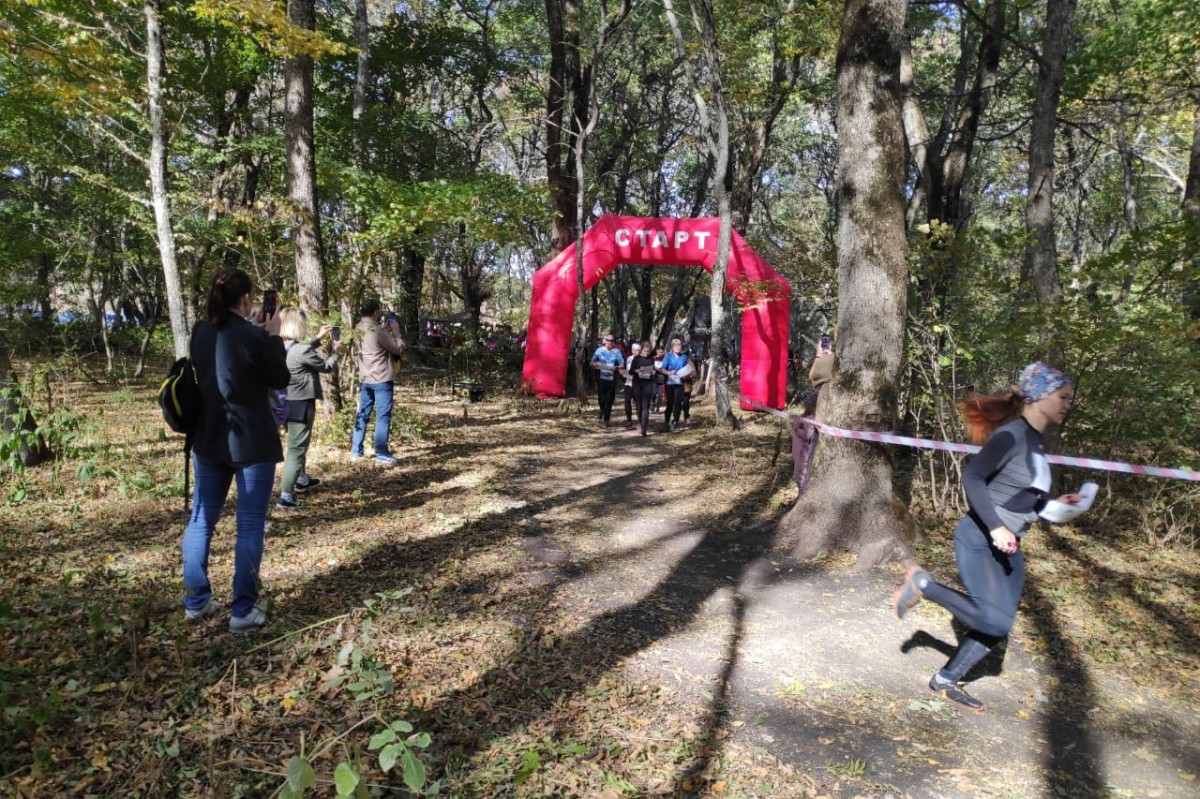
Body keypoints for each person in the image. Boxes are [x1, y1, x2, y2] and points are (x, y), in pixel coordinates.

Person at [891, 362, 1079, 712]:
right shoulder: (1012, 435)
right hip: (980, 538)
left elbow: (1023, 501)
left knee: (998, 624)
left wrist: (1056, 506)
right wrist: (996, 527)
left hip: (1008, 546)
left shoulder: (1036, 442)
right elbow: (973, 478)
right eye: (1063, 396)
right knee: (993, 619)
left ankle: (945, 681)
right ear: (1040, 396)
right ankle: (923, 584)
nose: (1069, 402)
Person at [182, 268, 290, 632]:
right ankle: (242, 610)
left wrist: (256, 332)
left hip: (209, 438)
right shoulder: (254, 336)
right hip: (251, 443)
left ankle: (196, 600)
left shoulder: (200, 331)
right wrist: (272, 337)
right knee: (248, 525)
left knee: (202, 520)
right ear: (246, 299)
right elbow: (279, 378)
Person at [276, 308, 343, 509]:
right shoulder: (301, 351)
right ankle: (286, 496)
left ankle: (301, 479)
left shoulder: (278, 347)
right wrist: (336, 352)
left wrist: (317, 338)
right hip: (301, 404)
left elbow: (298, 351)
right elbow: (326, 367)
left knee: (297, 444)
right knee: (297, 449)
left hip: (284, 402)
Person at [351, 299, 406, 464]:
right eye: (379, 311)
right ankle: (382, 453)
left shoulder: (358, 328)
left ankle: (356, 451)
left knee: (363, 413)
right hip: (381, 379)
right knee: (383, 416)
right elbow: (398, 349)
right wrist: (396, 332)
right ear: (375, 312)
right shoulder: (376, 330)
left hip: (365, 378)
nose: (381, 313)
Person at [590, 333, 624, 428]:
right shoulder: (599, 351)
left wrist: (615, 367)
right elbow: (591, 362)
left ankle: (606, 420)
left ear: (614, 342)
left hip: (612, 379)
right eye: (608, 341)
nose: (610, 343)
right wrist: (595, 365)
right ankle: (601, 409)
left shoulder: (617, 352)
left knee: (609, 400)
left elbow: (622, 365)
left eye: (612, 341)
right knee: (601, 399)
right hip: (601, 378)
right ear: (604, 341)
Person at [658, 338, 691, 432]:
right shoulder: (668, 356)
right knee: (670, 404)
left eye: (679, 345)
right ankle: (667, 421)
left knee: (678, 403)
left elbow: (687, 368)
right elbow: (662, 369)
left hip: (679, 383)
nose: (678, 347)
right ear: (672, 347)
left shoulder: (684, 357)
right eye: (675, 345)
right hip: (669, 383)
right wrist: (669, 373)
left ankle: (676, 422)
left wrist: (686, 373)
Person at [628, 340, 658, 436]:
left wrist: (653, 372)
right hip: (637, 383)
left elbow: (654, 371)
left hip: (647, 384)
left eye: (648, 351)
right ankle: (640, 422)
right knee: (639, 407)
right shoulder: (636, 359)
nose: (646, 353)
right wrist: (638, 370)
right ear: (641, 350)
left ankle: (644, 428)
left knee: (646, 407)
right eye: (644, 351)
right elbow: (631, 371)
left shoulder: (651, 359)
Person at [621, 342, 642, 429]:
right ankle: (629, 421)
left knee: (638, 404)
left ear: (640, 351)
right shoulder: (629, 358)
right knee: (627, 403)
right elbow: (627, 369)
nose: (635, 352)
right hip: (628, 383)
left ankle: (640, 422)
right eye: (634, 350)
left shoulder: (642, 359)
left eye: (637, 350)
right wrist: (623, 373)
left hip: (637, 384)